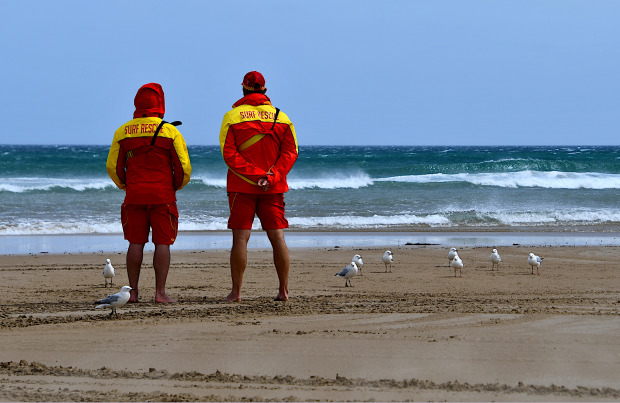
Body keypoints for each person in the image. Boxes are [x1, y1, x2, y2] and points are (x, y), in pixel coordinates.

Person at [106, 83, 191, 303]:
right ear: (160, 104)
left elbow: (113, 167)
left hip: (135, 195)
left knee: (135, 243)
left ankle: (132, 293)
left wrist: (126, 185)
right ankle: (160, 293)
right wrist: (175, 186)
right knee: (162, 243)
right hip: (163, 196)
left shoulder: (123, 131)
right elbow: (183, 167)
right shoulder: (170, 131)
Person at [219, 71, 298, 302]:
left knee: (240, 238)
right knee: (277, 237)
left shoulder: (232, 116)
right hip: (272, 187)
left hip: (242, 186)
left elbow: (229, 154)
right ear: (264, 90)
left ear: (243, 89)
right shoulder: (282, 117)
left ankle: (236, 292)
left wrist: (255, 176)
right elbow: (290, 153)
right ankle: (283, 291)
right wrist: (271, 177)